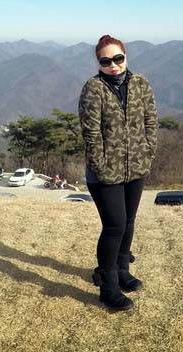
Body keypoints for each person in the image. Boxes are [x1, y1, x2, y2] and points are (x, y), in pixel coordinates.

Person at [78, 34, 158, 312]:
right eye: (106, 60)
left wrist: (148, 151)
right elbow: (90, 134)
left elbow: (151, 120)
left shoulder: (140, 83)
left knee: (129, 221)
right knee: (114, 227)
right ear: (98, 62)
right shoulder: (93, 89)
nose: (113, 65)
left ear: (126, 57)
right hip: (104, 174)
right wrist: (101, 167)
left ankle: (122, 271)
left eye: (118, 58)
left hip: (136, 167)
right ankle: (108, 287)